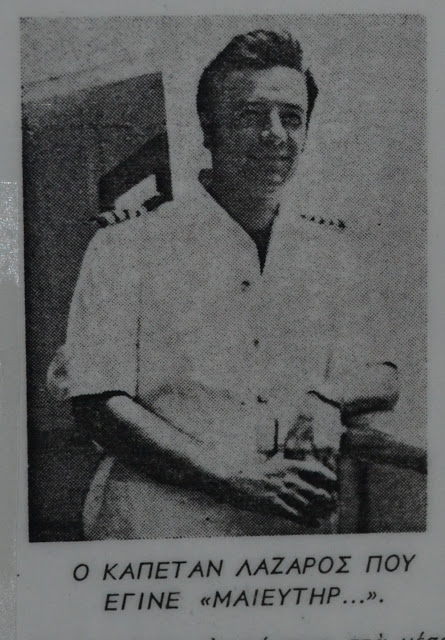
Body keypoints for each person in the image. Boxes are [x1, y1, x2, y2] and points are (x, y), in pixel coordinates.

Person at [48, 30, 399, 540]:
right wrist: (238, 480)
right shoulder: (128, 246)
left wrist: (326, 398)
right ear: (209, 131)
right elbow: (97, 404)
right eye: (251, 116)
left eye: (292, 117)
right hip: (161, 532)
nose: (275, 135)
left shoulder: (332, 252)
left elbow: (383, 375)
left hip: (290, 532)